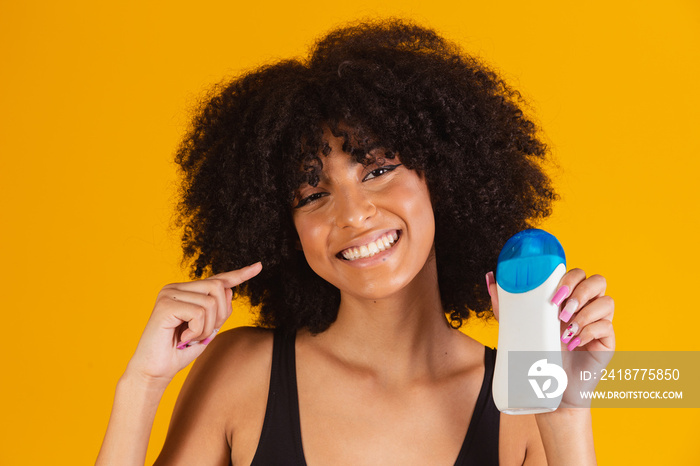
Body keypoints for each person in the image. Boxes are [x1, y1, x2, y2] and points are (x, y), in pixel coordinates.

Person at [97, 19, 615, 465]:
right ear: (284, 229)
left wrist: (565, 415)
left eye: (380, 169)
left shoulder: (522, 398)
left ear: (441, 175)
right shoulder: (240, 375)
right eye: (312, 194)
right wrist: (140, 385)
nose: (353, 214)